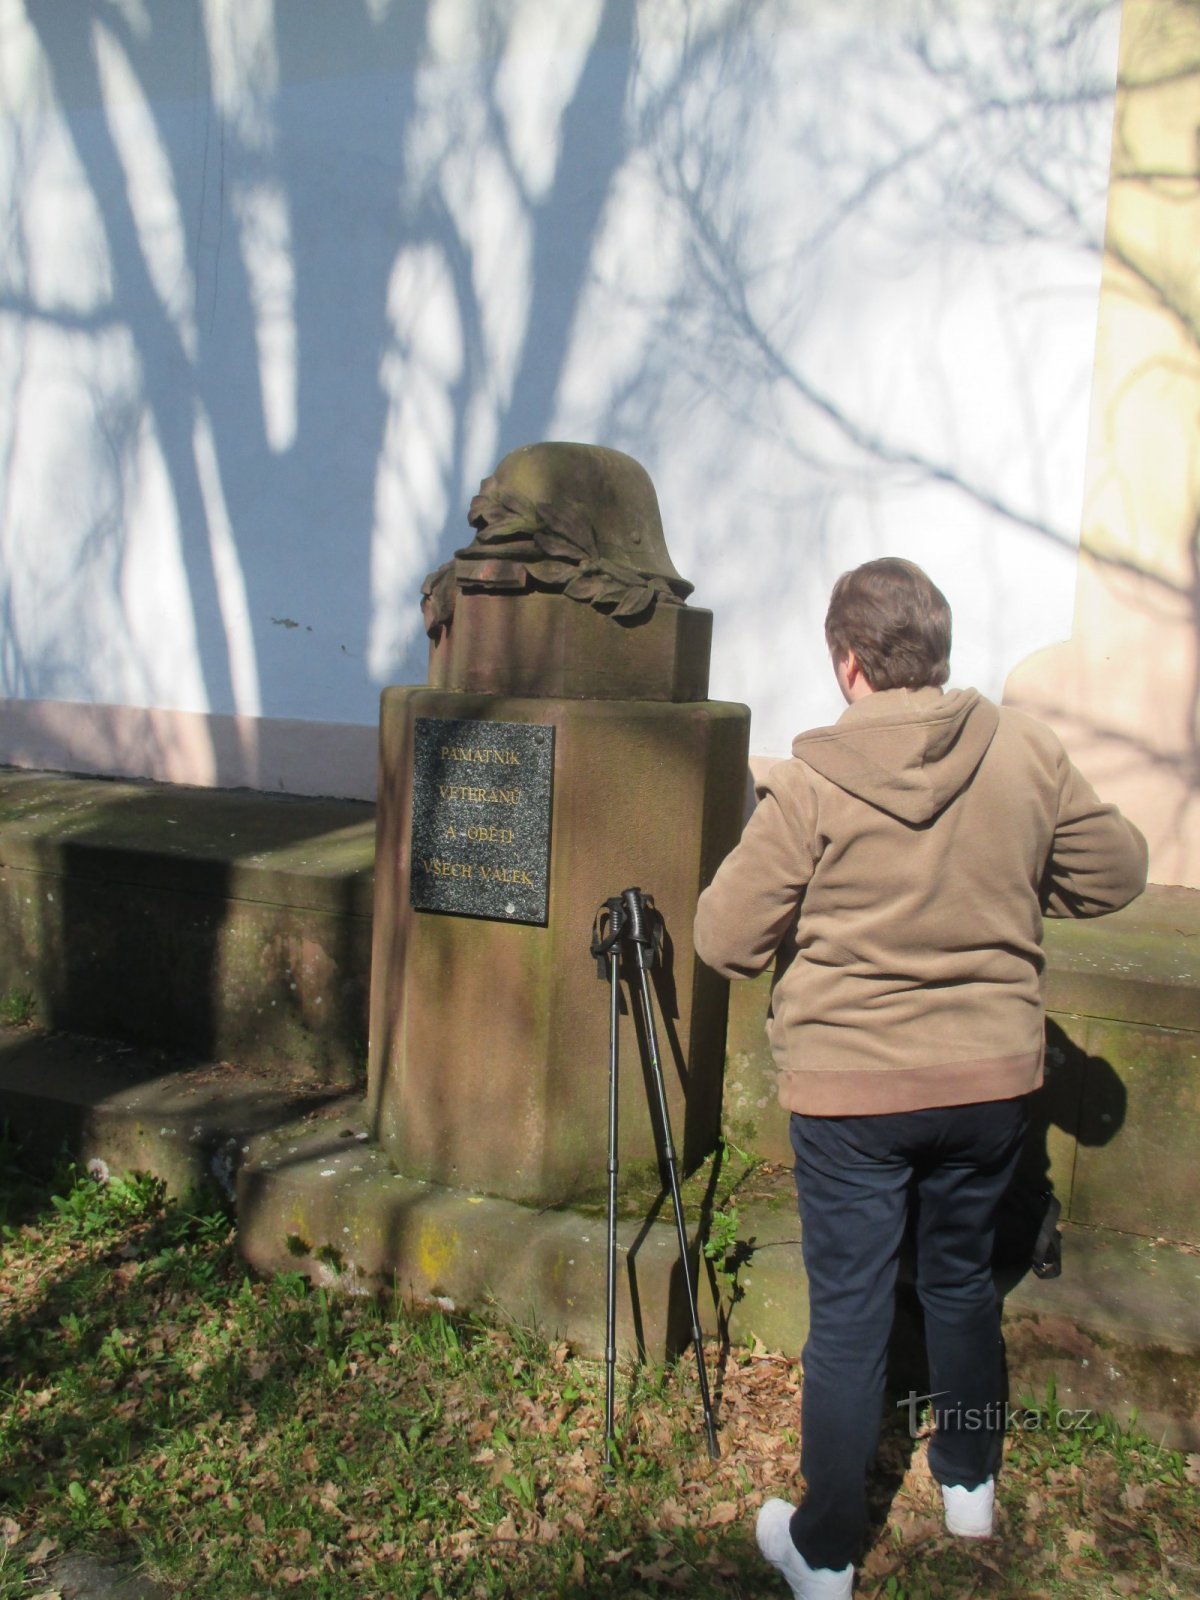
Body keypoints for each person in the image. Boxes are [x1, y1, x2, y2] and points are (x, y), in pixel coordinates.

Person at [692, 558, 1147, 1600]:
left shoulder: (810, 784)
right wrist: (1019, 876)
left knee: (850, 1311)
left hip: (852, 1095)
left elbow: (723, 937)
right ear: (936, 654)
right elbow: (1118, 870)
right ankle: (969, 1480)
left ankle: (825, 1547)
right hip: (990, 1084)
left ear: (847, 664)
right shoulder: (1025, 753)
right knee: (962, 1285)